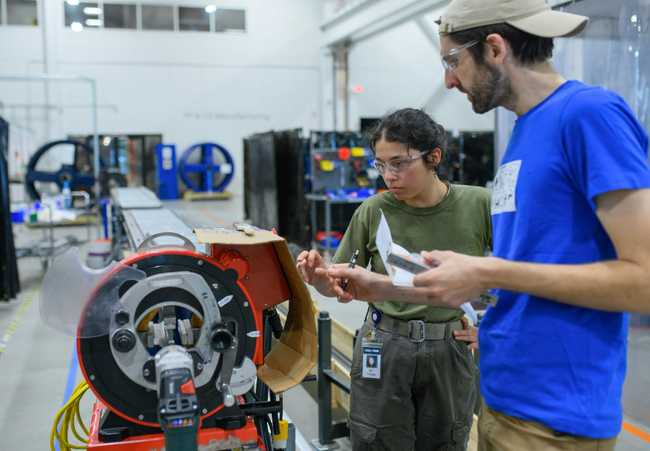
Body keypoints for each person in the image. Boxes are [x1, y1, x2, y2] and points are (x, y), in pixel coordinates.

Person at [329, 1, 650, 449]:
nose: (448, 80)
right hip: (502, 401)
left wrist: (485, 271)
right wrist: (396, 291)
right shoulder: (525, 132)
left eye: (452, 60)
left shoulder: (588, 114)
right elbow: (530, 273)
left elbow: (643, 279)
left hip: (553, 417)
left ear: (495, 48)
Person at [297, 108, 491, 451]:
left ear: (434, 157)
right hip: (384, 345)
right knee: (377, 439)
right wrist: (318, 279)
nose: (389, 175)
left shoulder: (477, 205)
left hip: (449, 348)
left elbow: (517, 272)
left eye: (399, 163)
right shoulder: (373, 210)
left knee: (446, 440)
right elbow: (339, 284)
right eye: (380, 164)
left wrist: (490, 329)